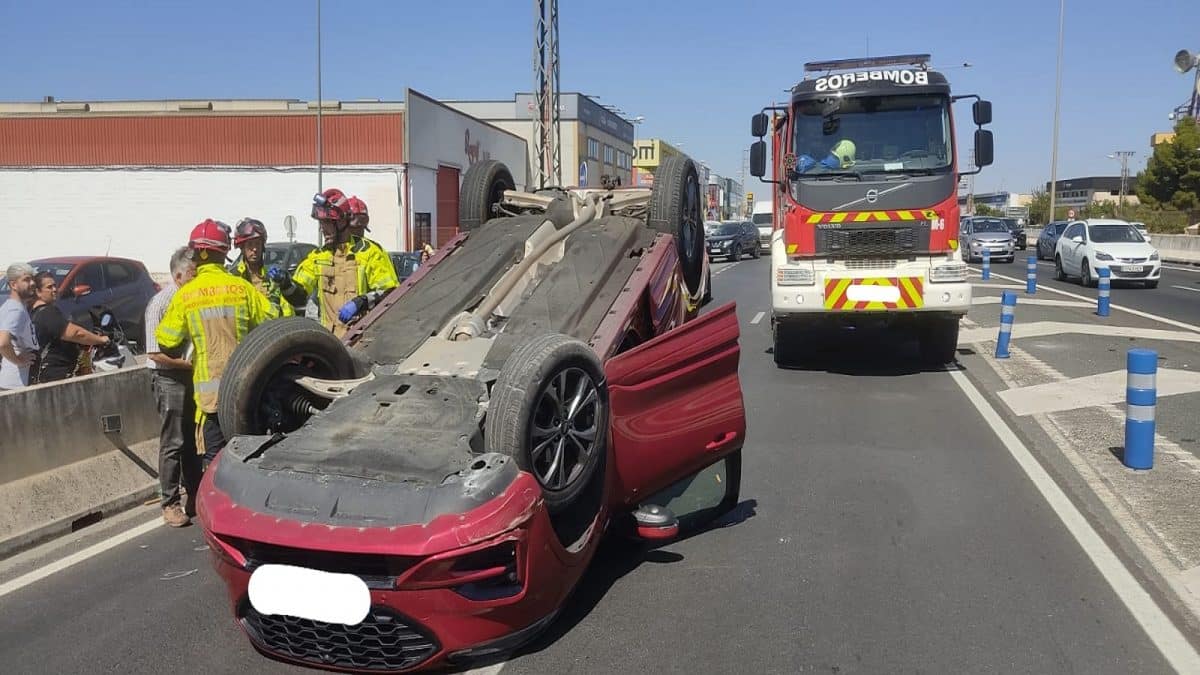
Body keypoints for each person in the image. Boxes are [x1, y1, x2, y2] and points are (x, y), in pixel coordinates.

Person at [156, 219, 276, 469]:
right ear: (224, 253)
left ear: (200, 252)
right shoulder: (242, 288)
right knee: (249, 458)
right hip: (247, 390)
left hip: (211, 399)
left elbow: (166, 340)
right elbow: (272, 322)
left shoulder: (186, 294)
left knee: (215, 462)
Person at [278, 188, 398, 337]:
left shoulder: (370, 253)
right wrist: (285, 284)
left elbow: (392, 294)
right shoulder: (318, 257)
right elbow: (300, 298)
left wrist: (362, 302)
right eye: (321, 223)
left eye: (327, 222)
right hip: (330, 345)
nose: (322, 228)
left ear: (342, 221)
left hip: (362, 340)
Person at [145, 247, 201, 526]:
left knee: (192, 440)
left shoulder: (191, 299)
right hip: (169, 378)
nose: (197, 277)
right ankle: (169, 502)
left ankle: (195, 494)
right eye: (193, 272)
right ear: (179, 274)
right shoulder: (161, 303)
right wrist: (187, 365)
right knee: (173, 442)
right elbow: (154, 353)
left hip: (190, 376)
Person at [28, 271, 111, 384]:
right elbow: (75, 333)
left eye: (55, 286)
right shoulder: (47, 313)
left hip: (43, 375)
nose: (54, 290)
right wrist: (100, 340)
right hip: (56, 376)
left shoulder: (33, 313)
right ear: (38, 292)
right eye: (49, 287)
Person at [230, 218, 294, 317]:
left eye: (258, 244)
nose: (254, 249)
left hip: (270, 329)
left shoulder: (272, 277)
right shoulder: (233, 277)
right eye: (250, 244)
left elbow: (287, 310)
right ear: (242, 247)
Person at [0, 263, 38, 391]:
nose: (32, 283)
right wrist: (19, 361)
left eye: (33, 279)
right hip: (16, 384)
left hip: (9, 381)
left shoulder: (8, 306)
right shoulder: (16, 310)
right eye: (26, 280)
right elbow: (2, 343)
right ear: (13, 285)